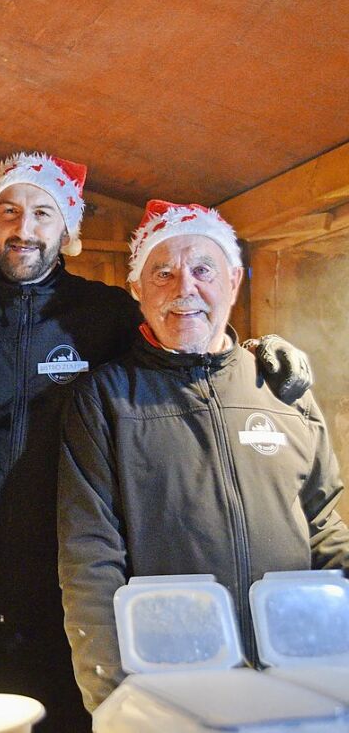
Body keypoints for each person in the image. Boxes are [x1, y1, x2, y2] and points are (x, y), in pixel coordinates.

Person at [0, 153, 314, 730]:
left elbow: (189, 341)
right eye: (9, 212)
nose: (25, 229)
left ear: (67, 227)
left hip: (71, 577)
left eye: (43, 212)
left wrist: (258, 351)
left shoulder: (103, 311)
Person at [57, 199, 349, 711]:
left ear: (234, 282)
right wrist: (112, 702)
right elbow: (91, 561)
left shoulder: (281, 386)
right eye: (163, 273)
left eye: (202, 269)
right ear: (138, 292)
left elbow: (324, 524)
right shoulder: (105, 399)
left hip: (302, 675)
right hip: (174, 687)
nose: (184, 288)